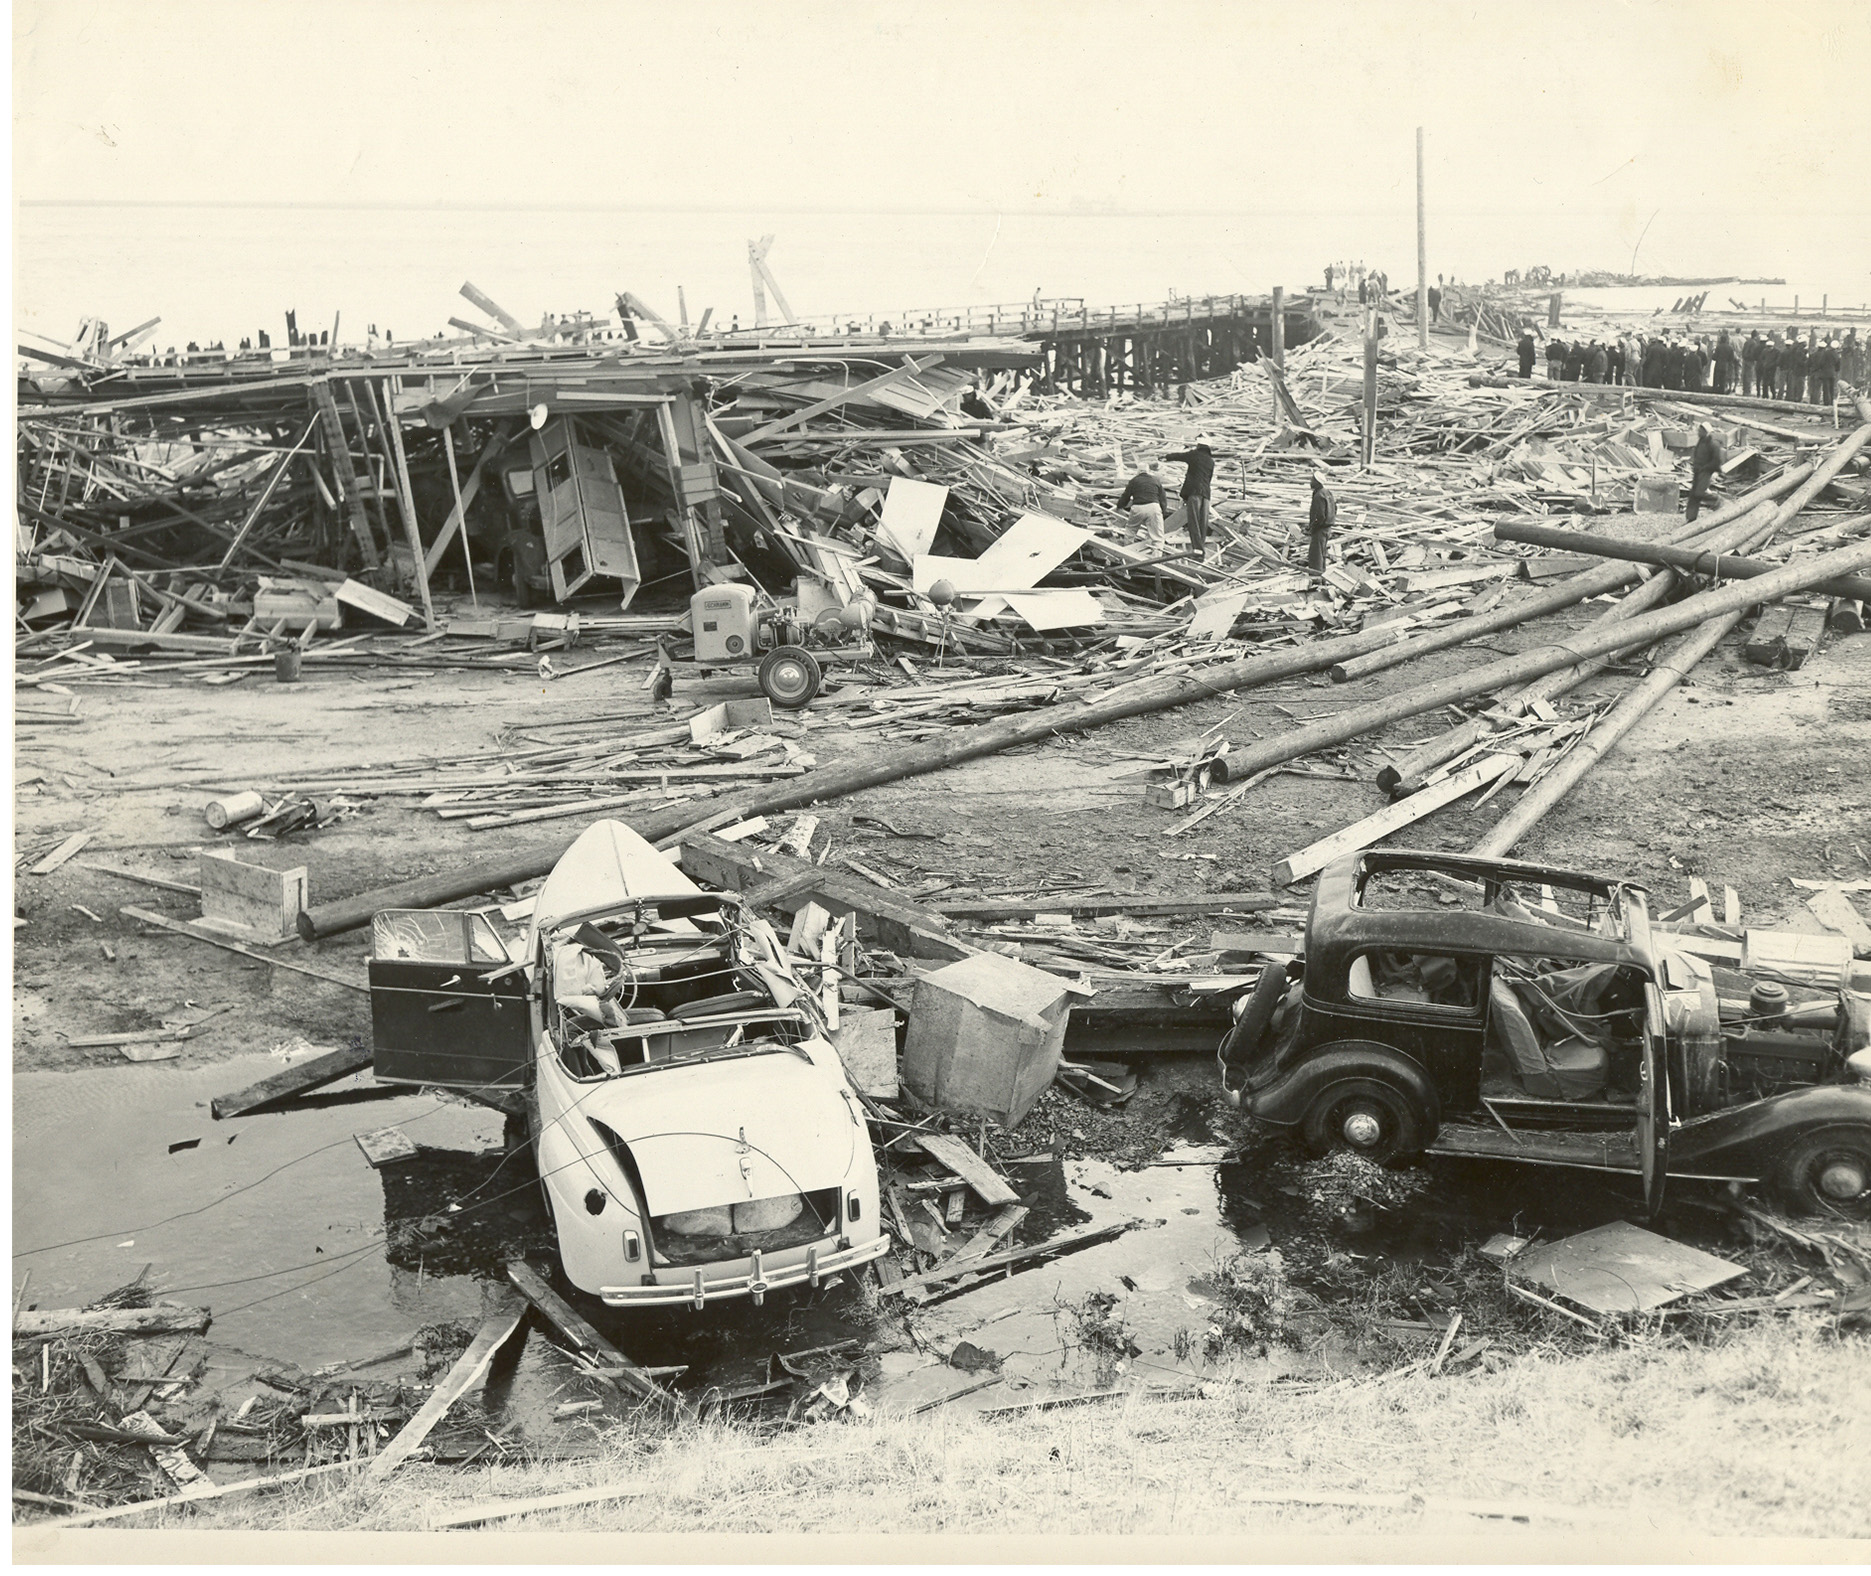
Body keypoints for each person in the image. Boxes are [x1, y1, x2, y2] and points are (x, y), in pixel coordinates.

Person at [1163, 439, 1218, 557]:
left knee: (1193, 522)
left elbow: (1179, 456)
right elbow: (1209, 479)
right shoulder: (1211, 461)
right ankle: (1201, 548)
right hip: (1206, 495)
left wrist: (1166, 457)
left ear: (1199, 445)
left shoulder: (1195, 455)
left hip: (1194, 493)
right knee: (1203, 522)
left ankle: (1197, 550)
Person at [1117, 463, 1169, 546]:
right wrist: (1163, 511)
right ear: (1148, 471)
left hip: (1138, 507)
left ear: (1138, 471)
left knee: (1130, 532)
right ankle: (1157, 556)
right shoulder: (1155, 480)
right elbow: (1163, 498)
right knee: (1158, 537)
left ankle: (1127, 554)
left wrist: (1119, 506)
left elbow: (1126, 496)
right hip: (1153, 507)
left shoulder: (1134, 480)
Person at [1685, 422, 1725, 523]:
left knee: (1699, 493)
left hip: (1706, 471)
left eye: (1700, 431)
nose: (1698, 432)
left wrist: (1707, 469)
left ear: (1705, 432)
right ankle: (1691, 518)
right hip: (1698, 471)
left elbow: (1717, 461)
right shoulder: (1701, 441)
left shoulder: (1713, 444)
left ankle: (1716, 500)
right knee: (1693, 494)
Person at [1307, 471, 1337, 580]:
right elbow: (1335, 508)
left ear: (1317, 482)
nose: (1310, 482)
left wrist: (1312, 527)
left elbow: (1319, 516)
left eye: (1312, 480)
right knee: (1322, 554)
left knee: (1316, 556)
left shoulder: (1319, 495)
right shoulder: (1327, 492)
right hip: (1327, 528)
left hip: (1320, 529)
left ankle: (1316, 579)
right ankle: (1323, 578)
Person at [1811, 334, 1839, 406]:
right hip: (1832, 373)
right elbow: (1838, 365)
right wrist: (1835, 370)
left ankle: (1826, 403)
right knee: (1832, 388)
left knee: (1826, 389)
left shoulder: (1826, 353)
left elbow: (1821, 363)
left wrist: (1821, 368)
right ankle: (1832, 403)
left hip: (1825, 373)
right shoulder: (1837, 354)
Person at [1782, 330, 1808, 403]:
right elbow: (1801, 362)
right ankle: (1798, 399)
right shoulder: (1800, 351)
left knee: (1795, 385)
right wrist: (1807, 362)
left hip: (1795, 370)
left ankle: (1794, 398)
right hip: (1800, 371)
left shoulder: (1795, 350)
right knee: (1800, 386)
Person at [1758, 333, 1781, 401]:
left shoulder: (1777, 352)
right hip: (1765, 368)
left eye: (1770, 347)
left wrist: (1771, 365)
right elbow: (1761, 359)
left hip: (1772, 369)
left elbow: (1777, 361)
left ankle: (1773, 395)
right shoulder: (1764, 351)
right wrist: (1764, 364)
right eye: (1768, 347)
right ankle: (1765, 395)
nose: (1769, 348)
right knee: (1765, 383)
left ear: (1773, 346)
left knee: (1771, 383)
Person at [1741, 330, 1762, 397]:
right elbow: (1753, 353)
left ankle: (1745, 390)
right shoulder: (1754, 343)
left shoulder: (1747, 342)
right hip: (1750, 361)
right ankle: (1747, 391)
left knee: (1745, 376)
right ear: (1755, 336)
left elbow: (1743, 351)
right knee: (1749, 376)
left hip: (1745, 360)